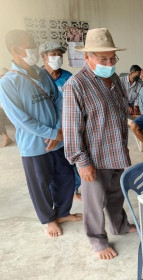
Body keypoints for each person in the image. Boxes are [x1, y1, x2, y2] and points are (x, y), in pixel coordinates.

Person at [63, 28, 137, 260]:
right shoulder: (76, 85)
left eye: (112, 57)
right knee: (94, 203)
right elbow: (71, 128)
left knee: (116, 195)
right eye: (103, 58)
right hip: (94, 157)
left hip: (116, 150)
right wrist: (81, 162)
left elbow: (118, 110)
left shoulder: (114, 78)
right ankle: (97, 240)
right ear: (87, 57)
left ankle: (120, 226)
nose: (109, 62)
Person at [0, 30, 81, 238]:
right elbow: (21, 119)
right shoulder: (8, 82)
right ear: (15, 50)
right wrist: (52, 132)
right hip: (34, 145)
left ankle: (62, 212)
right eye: (30, 44)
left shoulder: (41, 73)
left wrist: (58, 130)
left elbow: (57, 100)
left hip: (58, 140)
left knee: (65, 177)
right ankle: (49, 219)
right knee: (40, 184)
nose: (34, 48)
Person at [39, 41, 81, 201]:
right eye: (53, 54)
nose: (57, 57)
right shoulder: (37, 78)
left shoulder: (68, 77)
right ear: (44, 57)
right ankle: (55, 198)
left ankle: (73, 190)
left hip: (66, 128)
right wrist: (51, 132)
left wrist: (63, 130)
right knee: (50, 168)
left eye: (59, 54)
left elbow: (72, 105)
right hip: (47, 131)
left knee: (69, 164)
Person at [0, 67, 13, 146]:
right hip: (3, 111)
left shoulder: (13, 84)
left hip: (14, 110)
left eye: (3, 76)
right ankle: (6, 137)